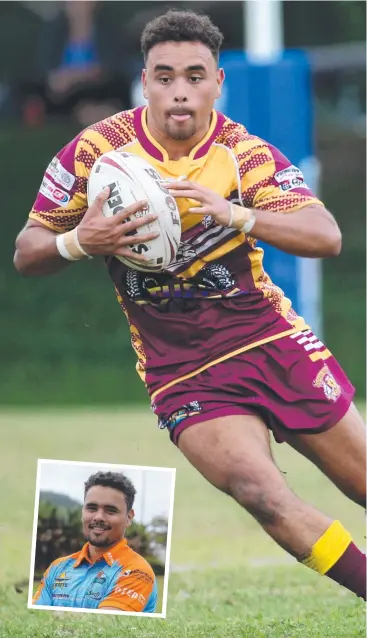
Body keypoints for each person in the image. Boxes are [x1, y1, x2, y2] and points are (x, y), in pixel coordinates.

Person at [15, 10, 366, 601]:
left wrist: (236, 213)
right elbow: (28, 250)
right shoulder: (96, 152)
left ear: (218, 82)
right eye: (165, 76)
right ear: (145, 81)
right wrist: (81, 241)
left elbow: (325, 234)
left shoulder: (241, 153)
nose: (181, 91)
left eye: (195, 76)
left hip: (270, 340)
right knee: (261, 494)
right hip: (183, 369)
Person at [33, 472, 158, 612]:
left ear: (128, 518)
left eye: (110, 510)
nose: (98, 517)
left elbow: (102, 627)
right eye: (91, 508)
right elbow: (35, 619)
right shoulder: (58, 568)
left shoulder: (137, 571)